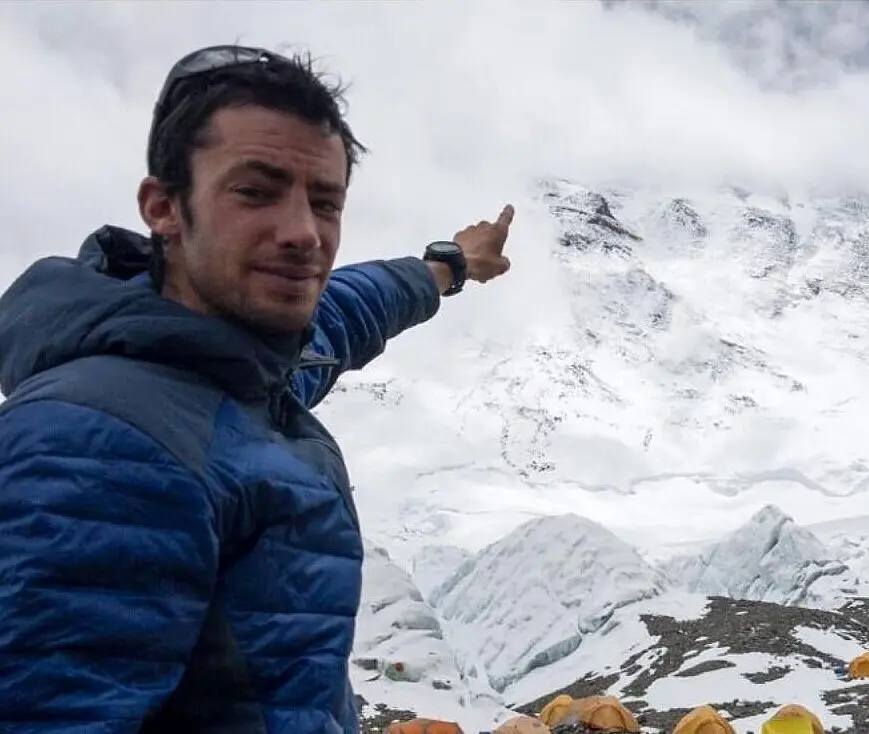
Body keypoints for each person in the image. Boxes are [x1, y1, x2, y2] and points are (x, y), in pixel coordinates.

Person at [0, 45, 513, 732]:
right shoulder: (102, 445)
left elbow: (346, 311)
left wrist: (447, 266)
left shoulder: (242, 368)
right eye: (256, 191)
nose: (304, 233)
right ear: (164, 208)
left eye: (324, 202)